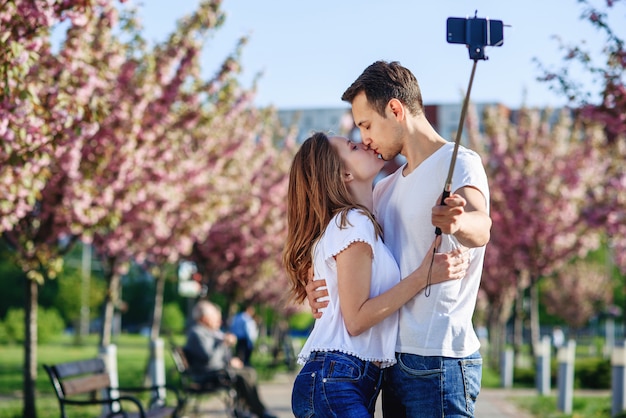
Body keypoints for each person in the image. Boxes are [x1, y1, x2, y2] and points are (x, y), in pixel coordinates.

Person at [306, 61, 492, 417]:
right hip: (389, 361)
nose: (364, 138)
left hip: (438, 360)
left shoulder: (459, 164)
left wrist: (458, 221)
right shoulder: (384, 189)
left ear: (395, 109)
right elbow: (348, 254)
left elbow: (481, 226)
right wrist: (314, 287)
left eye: (366, 125)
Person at [283, 131, 469, 418]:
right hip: (336, 381)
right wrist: (423, 276)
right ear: (344, 173)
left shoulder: (357, 222)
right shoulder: (353, 223)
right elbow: (356, 320)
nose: (365, 143)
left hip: (342, 380)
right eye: (353, 146)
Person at [184, 300, 276, 418]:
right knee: (243, 375)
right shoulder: (197, 333)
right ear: (204, 318)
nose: (218, 320)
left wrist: (231, 361)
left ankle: (252, 409)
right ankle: (258, 412)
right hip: (206, 374)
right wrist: (224, 343)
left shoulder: (209, 332)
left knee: (249, 372)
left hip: (215, 371)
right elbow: (210, 359)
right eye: (214, 317)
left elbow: (218, 356)